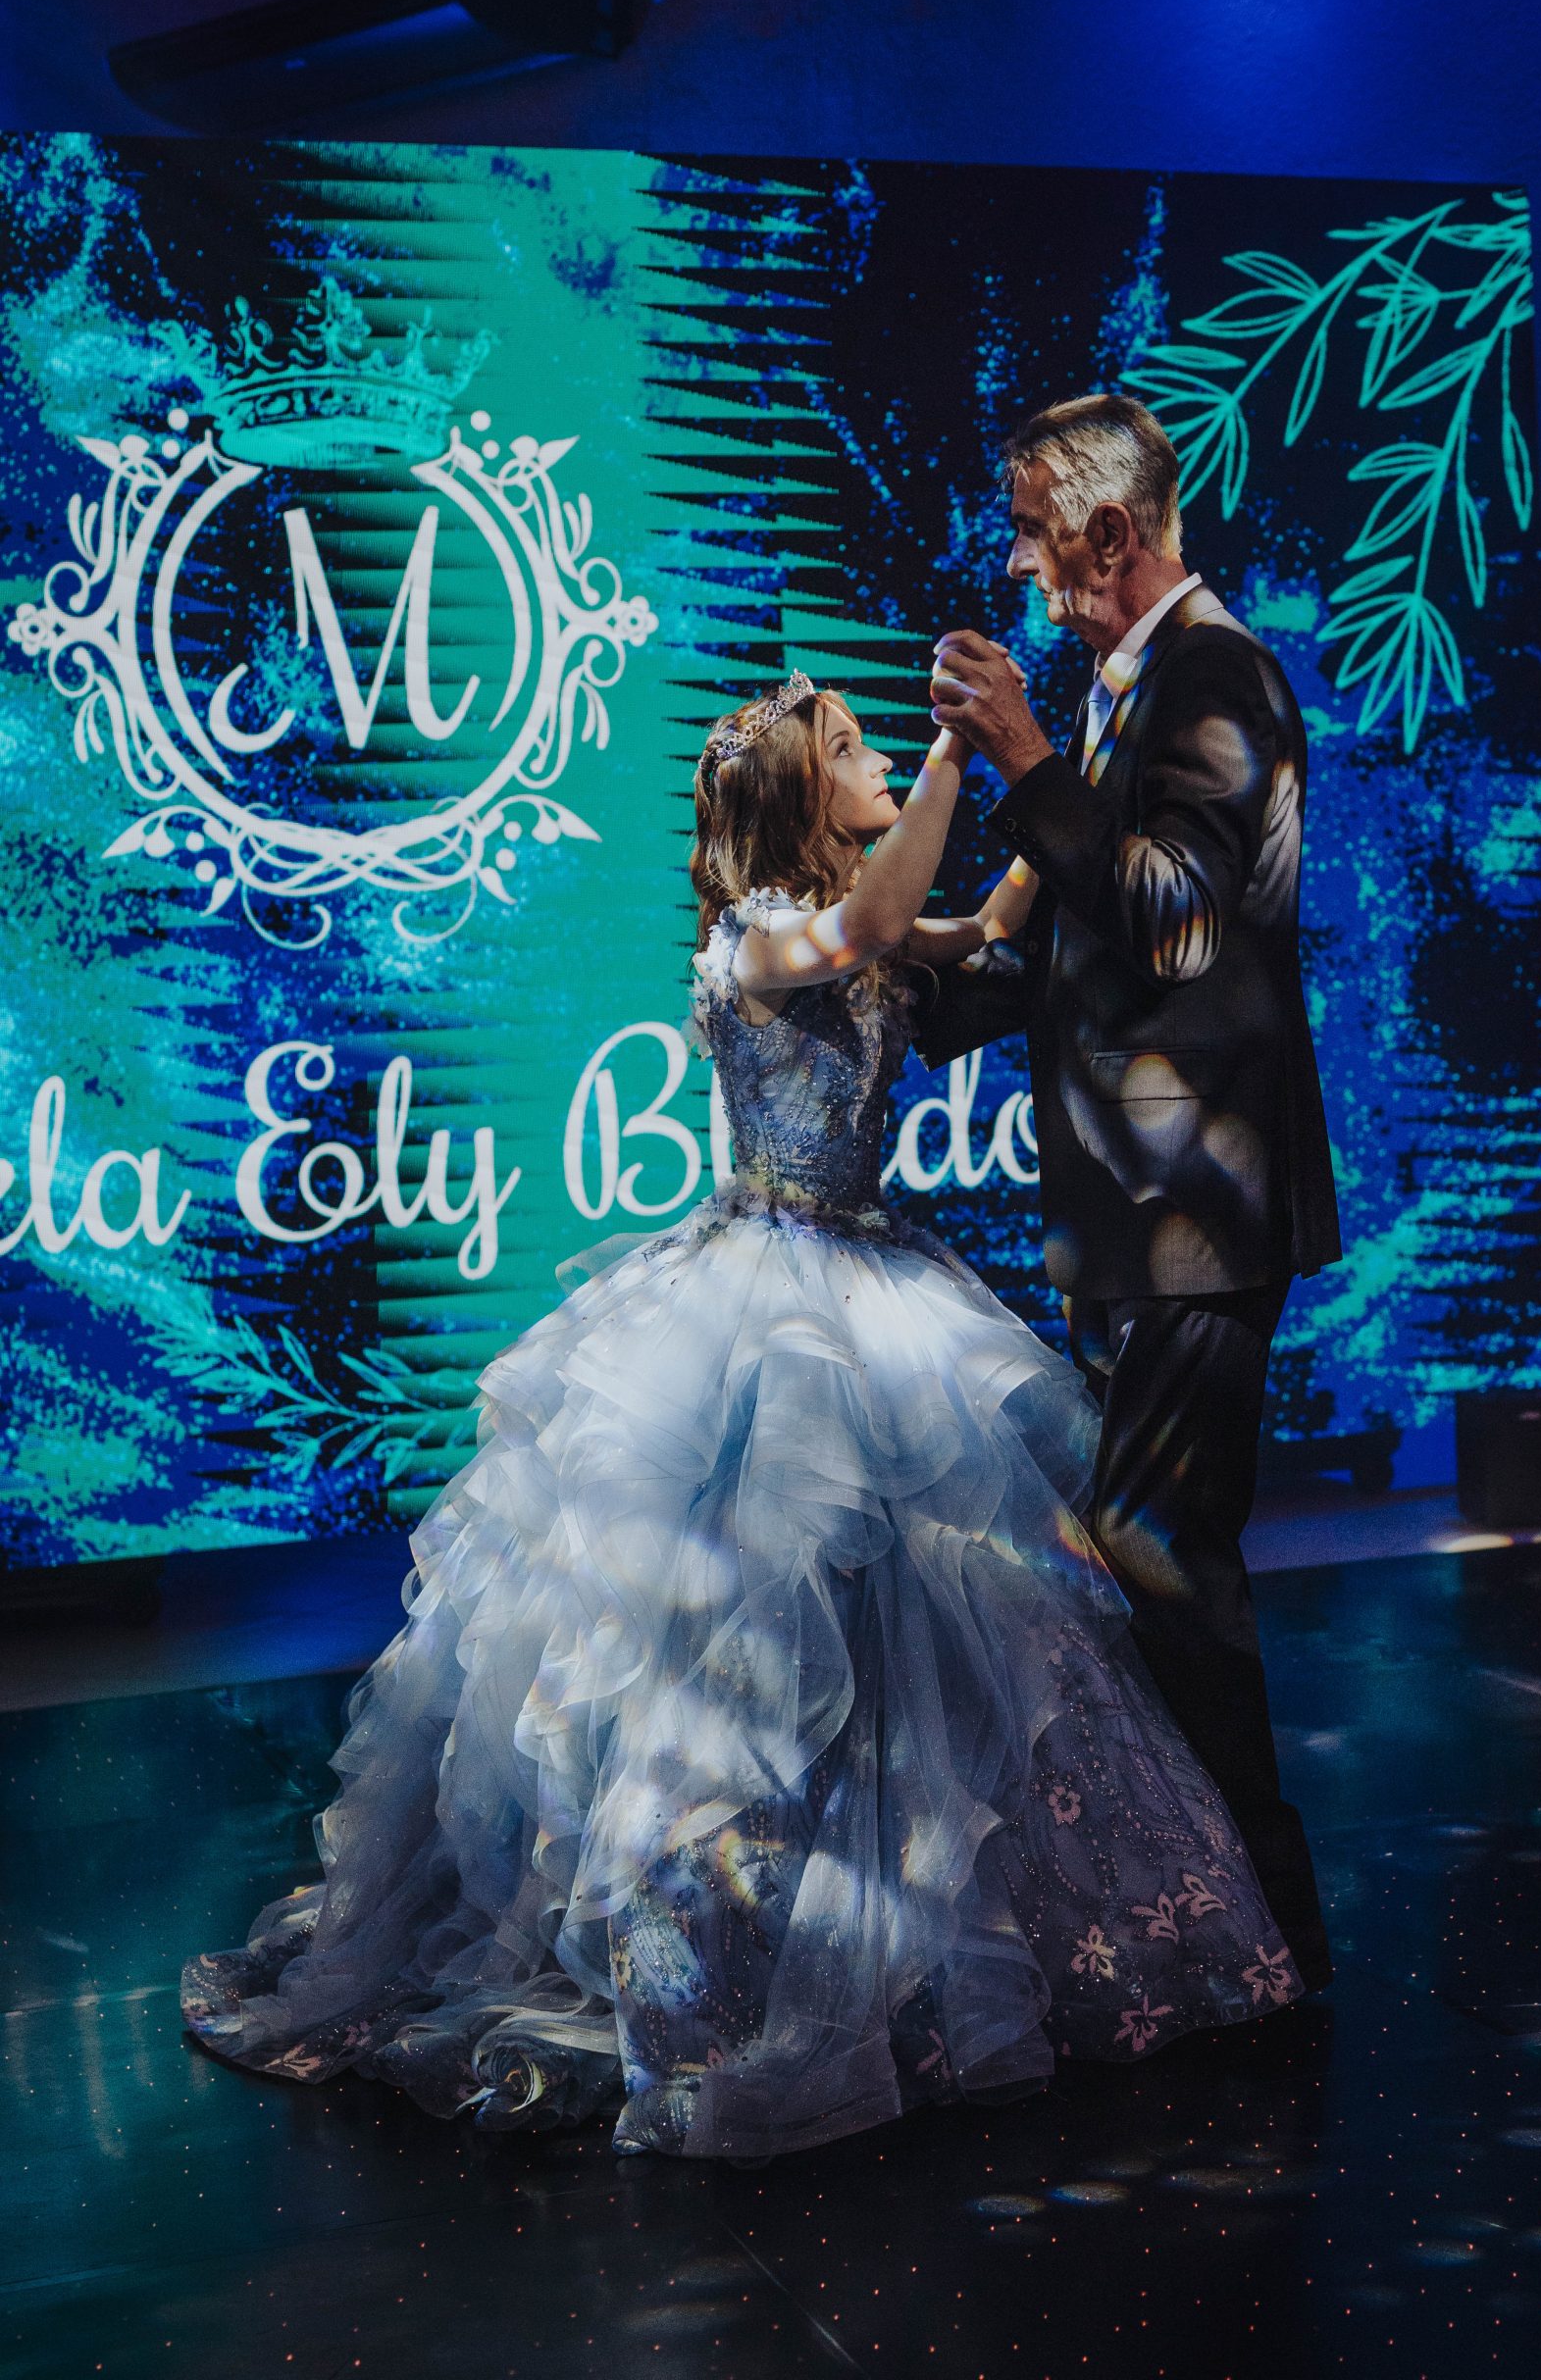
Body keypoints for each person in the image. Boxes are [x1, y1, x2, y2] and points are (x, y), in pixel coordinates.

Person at [182, 669, 1300, 2163]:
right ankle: (732, 1955)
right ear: (798, 795)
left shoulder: (857, 926)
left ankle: (904, 1949)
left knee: (921, 1625)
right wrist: (961, 753)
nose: (879, 758)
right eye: (852, 749)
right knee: (759, 1628)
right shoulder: (758, 939)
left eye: (880, 744)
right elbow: (875, 928)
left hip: (872, 1280)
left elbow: (980, 925)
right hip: (765, 1295)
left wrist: (1059, 785)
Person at [918, 391, 1341, 1994]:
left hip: (1196, 1219)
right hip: (1129, 1221)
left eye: (1033, 531)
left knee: (1164, 1561)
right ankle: (1205, 1922)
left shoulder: (1219, 674)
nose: (1018, 564)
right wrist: (876, 991)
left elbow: (1174, 925)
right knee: (1137, 1565)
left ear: (1110, 533)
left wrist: (1029, 755)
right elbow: (1064, 950)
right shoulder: (1125, 695)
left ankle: (1270, 1934)